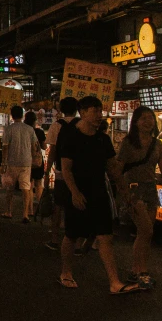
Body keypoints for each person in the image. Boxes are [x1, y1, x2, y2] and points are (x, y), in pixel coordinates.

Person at [57, 95, 140, 294]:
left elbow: (113, 169)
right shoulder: (71, 136)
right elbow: (66, 169)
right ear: (83, 112)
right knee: (71, 236)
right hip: (77, 193)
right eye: (94, 111)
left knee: (105, 236)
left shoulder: (103, 139)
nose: (98, 115)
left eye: (100, 111)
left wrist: (125, 193)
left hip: (99, 193)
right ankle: (66, 272)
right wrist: (75, 192)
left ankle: (114, 282)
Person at [115, 106, 162, 290]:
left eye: (150, 118)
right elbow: (117, 170)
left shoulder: (157, 144)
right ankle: (141, 272)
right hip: (134, 190)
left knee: (144, 234)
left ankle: (138, 270)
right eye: (143, 118)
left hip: (150, 189)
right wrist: (124, 193)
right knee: (146, 230)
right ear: (136, 122)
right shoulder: (128, 143)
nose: (148, 121)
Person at [44, 97, 79, 251]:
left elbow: (52, 151)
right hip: (80, 173)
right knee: (79, 205)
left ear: (61, 110)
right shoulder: (82, 125)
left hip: (61, 172)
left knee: (58, 205)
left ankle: (55, 239)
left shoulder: (56, 126)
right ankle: (78, 242)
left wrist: (47, 171)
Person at [1, 106, 38, 222]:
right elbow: (34, 146)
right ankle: (25, 214)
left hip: (12, 162)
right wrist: (33, 159)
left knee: (10, 189)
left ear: (12, 115)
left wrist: (3, 162)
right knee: (25, 188)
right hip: (26, 162)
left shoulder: (9, 129)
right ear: (22, 115)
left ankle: (8, 211)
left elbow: (5, 147)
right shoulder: (30, 129)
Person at [24, 111, 47, 217]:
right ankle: (40, 209)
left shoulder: (24, 132)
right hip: (37, 161)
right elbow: (44, 147)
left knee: (29, 185)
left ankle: (30, 211)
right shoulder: (39, 132)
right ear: (35, 121)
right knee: (38, 185)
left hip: (26, 160)